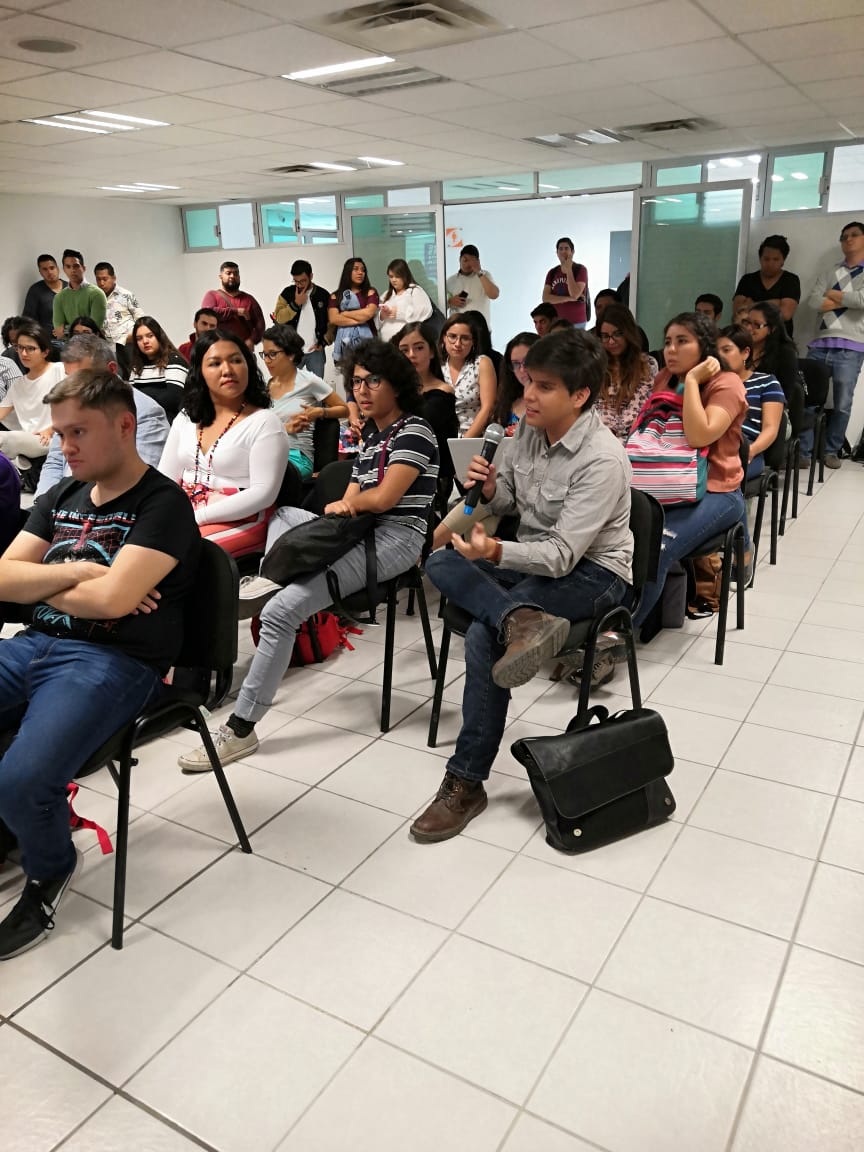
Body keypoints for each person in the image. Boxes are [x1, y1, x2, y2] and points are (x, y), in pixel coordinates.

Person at [0, 368, 200, 960]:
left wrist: (45, 582)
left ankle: (51, 867)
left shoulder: (163, 504)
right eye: (61, 433)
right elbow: (3, 578)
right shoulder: (62, 496)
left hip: (113, 661)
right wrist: (80, 574)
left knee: (21, 780)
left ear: (125, 426)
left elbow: (112, 603)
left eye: (79, 432)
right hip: (33, 643)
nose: (65, 447)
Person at [177, 339, 438, 771]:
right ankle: (271, 580)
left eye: (373, 381)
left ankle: (241, 728)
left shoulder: (414, 430)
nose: (362, 390)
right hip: (359, 527)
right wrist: (344, 509)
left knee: (281, 613)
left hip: (397, 538)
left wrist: (346, 507)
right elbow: (353, 494)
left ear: (397, 384)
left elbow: (384, 499)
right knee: (283, 514)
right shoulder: (373, 435)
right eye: (356, 382)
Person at [414, 329, 633, 842]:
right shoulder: (529, 432)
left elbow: (560, 556)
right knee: (441, 562)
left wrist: (493, 551)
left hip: (594, 575)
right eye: (529, 380)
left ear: (579, 395)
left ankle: (466, 782)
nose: (528, 395)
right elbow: (511, 500)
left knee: (482, 635)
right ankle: (519, 618)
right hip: (533, 565)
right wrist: (492, 490)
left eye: (545, 387)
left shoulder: (601, 459)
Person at [632, 312, 747, 632]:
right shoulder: (664, 378)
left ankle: (616, 639)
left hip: (716, 491)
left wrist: (693, 382)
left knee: (657, 550)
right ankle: (602, 618)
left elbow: (699, 436)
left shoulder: (727, 383)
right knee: (613, 541)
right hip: (660, 484)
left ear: (705, 345)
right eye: (668, 341)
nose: (671, 350)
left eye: (682, 341)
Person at [157, 329, 288, 557]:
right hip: (187, 511)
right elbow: (166, 478)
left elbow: (264, 493)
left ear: (248, 365)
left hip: (243, 516)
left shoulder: (265, 422)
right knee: (135, 540)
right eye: (215, 363)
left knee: (172, 552)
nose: (227, 370)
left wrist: (197, 517)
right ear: (200, 372)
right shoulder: (186, 417)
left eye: (236, 360)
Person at [430, 331, 539, 551]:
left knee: (477, 508)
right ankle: (436, 553)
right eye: (515, 364)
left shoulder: (545, 404)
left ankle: (424, 549)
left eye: (527, 363)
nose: (522, 370)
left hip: (528, 483)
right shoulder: (508, 400)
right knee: (477, 520)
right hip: (499, 480)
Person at [35, 334, 170, 498]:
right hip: (61, 502)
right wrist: (42, 504)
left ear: (111, 370)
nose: (74, 387)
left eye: (83, 378)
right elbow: (55, 463)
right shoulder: (70, 407)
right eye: (69, 378)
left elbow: (134, 482)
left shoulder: (145, 413)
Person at [802, 220, 864, 468]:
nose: (848, 239)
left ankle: (831, 450)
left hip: (851, 346)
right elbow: (813, 302)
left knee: (842, 404)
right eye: (844, 236)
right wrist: (847, 300)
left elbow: (862, 300)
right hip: (819, 344)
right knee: (807, 398)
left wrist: (833, 294)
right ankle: (803, 452)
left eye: (854, 234)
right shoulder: (829, 271)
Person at [260, 324, 347, 480]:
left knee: (265, 474)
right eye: (264, 355)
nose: (267, 361)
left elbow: (344, 409)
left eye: (272, 354)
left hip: (296, 456)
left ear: (291, 354)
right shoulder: (266, 387)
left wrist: (320, 412)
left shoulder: (309, 381)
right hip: (268, 453)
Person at [394, 320, 457, 502]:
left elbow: (418, 425)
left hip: (432, 477)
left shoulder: (443, 392)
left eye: (419, 348)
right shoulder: (394, 392)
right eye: (404, 350)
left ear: (431, 352)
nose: (411, 355)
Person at [717, 325, 785, 481]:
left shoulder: (767, 382)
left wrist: (750, 451)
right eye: (716, 352)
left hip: (745, 447)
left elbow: (770, 428)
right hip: (712, 445)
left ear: (745, 353)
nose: (720, 357)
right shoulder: (712, 383)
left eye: (726, 350)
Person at [0, 321, 65, 477]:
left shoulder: (60, 370)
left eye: (30, 349)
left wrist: (50, 429)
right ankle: (19, 463)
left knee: (4, 438)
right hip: (29, 437)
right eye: (20, 348)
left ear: (45, 351)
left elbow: (77, 408)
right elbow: (2, 412)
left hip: (54, 436)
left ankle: (19, 463)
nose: (23, 354)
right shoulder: (18, 385)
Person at [329, 257, 379, 434]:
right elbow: (333, 318)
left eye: (363, 269)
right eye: (356, 269)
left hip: (369, 347)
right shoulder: (335, 296)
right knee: (352, 383)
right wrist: (358, 316)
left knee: (371, 381)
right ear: (348, 271)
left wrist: (345, 315)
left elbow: (369, 314)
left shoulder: (370, 292)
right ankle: (354, 423)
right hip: (346, 348)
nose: (360, 272)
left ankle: (372, 422)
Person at [596, 305, 657, 441]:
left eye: (617, 334)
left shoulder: (647, 364)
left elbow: (639, 407)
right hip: (598, 437)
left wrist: (614, 437)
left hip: (633, 438)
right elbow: (594, 406)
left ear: (628, 333)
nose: (611, 341)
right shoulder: (595, 365)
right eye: (605, 336)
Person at [439, 313, 496, 439]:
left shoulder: (482, 363)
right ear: (444, 338)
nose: (458, 343)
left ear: (473, 341)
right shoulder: (437, 366)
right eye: (452, 337)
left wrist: (463, 442)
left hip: (473, 437)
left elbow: (488, 408)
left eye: (465, 338)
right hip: (441, 437)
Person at [272, 259, 331, 377]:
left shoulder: (323, 295)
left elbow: (332, 323)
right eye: (296, 281)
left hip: (315, 352)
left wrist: (324, 342)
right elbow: (278, 317)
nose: (299, 285)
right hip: (292, 351)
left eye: (303, 281)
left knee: (316, 386)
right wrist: (295, 304)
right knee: (290, 385)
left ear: (311, 276)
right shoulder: (287, 293)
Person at [733, 234, 801, 336]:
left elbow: (786, 314)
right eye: (766, 259)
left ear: (783, 260)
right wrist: (776, 303)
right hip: (750, 338)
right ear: (760, 258)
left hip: (780, 340)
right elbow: (738, 312)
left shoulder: (790, 280)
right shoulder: (747, 280)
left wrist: (752, 305)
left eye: (775, 259)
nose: (770, 264)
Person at [128, 317, 189, 423]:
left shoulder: (174, 361)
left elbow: (173, 399)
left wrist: (142, 400)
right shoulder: (137, 367)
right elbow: (129, 399)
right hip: (141, 422)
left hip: (169, 423)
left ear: (159, 336)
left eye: (150, 336)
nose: (145, 341)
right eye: (139, 338)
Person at [742, 301, 798, 405]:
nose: (749, 328)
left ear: (772, 329)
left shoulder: (785, 353)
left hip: (767, 407)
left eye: (757, 325)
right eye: (747, 322)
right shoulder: (739, 346)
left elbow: (784, 394)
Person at [200, 262, 265, 350]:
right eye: (228, 273)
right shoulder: (212, 295)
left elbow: (260, 324)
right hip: (217, 349)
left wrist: (252, 340)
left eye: (236, 273)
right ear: (221, 277)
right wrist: (236, 311)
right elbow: (207, 314)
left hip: (242, 351)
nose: (232, 276)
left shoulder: (249, 299)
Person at [93, 261, 143, 374]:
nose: (101, 283)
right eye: (98, 279)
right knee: (112, 376)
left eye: (105, 279)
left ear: (113, 278)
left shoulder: (126, 295)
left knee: (133, 374)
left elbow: (140, 319)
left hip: (128, 343)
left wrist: (133, 336)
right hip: (107, 346)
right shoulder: (94, 297)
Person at [52, 250, 107, 337]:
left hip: (93, 343)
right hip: (68, 344)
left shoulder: (97, 294)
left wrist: (67, 330)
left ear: (83, 268)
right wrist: (83, 330)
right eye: (68, 267)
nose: (72, 270)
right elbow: (59, 332)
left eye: (76, 266)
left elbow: (94, 329)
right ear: (64, 270)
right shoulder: (59, 297)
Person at [378, 258, 433, 343]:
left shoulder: (414, 291)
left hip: (407, 343)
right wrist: (381, 316)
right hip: (386, 344)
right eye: (391, 276)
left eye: (397, 276)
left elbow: (425, 311)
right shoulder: (386, 295)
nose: (393, 280)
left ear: (405, 276)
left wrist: (399, 313)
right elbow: (375, 323)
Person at [445, 245, 499, 325]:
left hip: (480, 328)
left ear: (478, 261)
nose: (468, 264)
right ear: (459, 259)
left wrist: (479, 272)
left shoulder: (484, 275)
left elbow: (494, 295)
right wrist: (450, 302)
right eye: (465, 260)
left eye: (471, 261)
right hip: (457, 328)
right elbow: (441, 305)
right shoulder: (450, 281)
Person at [543, 237, 589, 327]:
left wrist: (569, 270)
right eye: (560, 249)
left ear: (572, 252)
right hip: (556, 323)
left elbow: (574, 294)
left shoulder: (580, 269)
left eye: (566, 248)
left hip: (577, 322)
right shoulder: (552, 272)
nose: (563, 251)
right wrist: (569, 299)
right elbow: (546, 298)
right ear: (557, 253)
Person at [22, 255, 66, 331]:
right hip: (47, 337)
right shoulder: (35, 291)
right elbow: (28, 320)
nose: (50, 272)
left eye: (52, 268)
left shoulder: (70, 288)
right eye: (45, 269)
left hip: (72, 336)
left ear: (58, 269)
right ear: (40, 272)